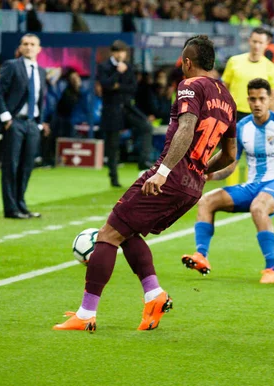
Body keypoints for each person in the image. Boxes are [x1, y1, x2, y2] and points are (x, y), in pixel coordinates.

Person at [53, 35, 237, 332]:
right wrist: (202, 172)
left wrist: (163, 171)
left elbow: (187, 128)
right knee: (126, 232)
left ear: (187, 63)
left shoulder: (190, 86)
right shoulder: (228, 98)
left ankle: (86, 314)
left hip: (171, 175)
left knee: (108, 234)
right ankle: (154, 295)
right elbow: (230, 154)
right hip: (191, 187)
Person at [182, 78, 274, 283]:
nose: (257, 103)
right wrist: (210, 174)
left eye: (261, 99)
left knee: (258, 207)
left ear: (270, 100)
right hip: (252, 187)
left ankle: (271, 270)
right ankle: (201, 256)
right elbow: (231, 164)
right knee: (206, 201)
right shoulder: (242, 128)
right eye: (253, 99)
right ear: (247, 99)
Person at [0, 33, 47, 220]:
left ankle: (21, 204)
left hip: (32, 123)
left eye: (33, 44)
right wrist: (7, 118)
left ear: (39, 49)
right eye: (25, 44)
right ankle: (11, 208)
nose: (29, 47)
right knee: (11, 166)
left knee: (27, 166)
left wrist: (40, 123)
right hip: (15, 122)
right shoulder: (11, 66)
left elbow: (41, 98)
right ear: (20, 47)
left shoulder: (41, 71)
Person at [97, 40, 153, 187]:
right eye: (118, 51)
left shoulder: (128, 67)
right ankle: (113, 178)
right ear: (113, 52)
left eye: (123, 52)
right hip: (112, 110)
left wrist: (117, 86)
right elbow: (106, 85)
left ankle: (143, 160)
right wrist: (117, 74)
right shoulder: (104, 66)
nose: (121, 54)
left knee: (146, 126)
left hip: (127, 108)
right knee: (113, 145)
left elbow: (133, 87)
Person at [222, 27, 274, 121]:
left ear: (266, 44)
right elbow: (224, 89)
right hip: (233, 113)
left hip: (258, 114)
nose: (257, 46)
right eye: (254, 41)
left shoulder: (271, 68)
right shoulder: (234, 61)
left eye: (260, 43)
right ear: (249, 41)